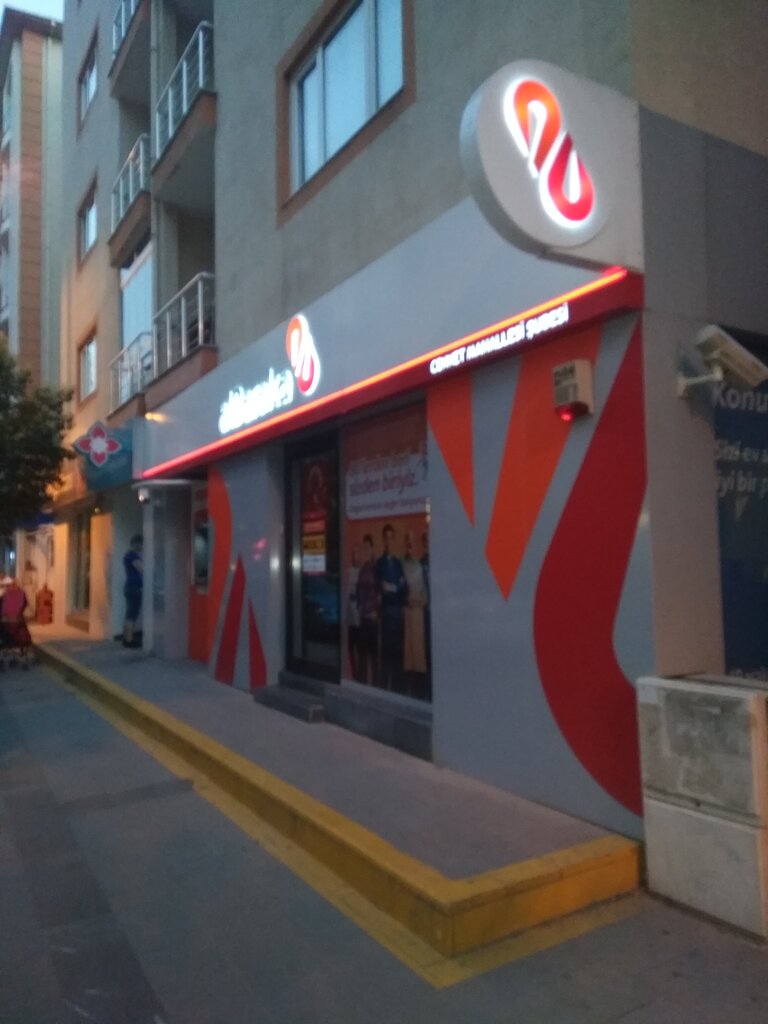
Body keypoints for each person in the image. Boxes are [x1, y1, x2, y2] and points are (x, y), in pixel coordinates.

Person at [375, 523, 405, 690]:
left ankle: (397, 688)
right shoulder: (379, 564)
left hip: (398, 614)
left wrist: (392, 587)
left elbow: (403, 588)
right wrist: (395, 587)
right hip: (386, 614)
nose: (388, 542)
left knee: (398, 653)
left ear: (394, 540)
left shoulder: (399, 564)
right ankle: (385, 688)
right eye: (386, 538)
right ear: (383, 540)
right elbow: (382, 587)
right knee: (386, 654)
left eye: (391, 538)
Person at [402, 529, 428, 687]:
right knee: (408, 657)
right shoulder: (401, 565)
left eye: (412, 540)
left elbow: (425, 595)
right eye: (407, 539)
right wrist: (406, 600)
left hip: (418, 615)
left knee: (419, 656)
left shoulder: (420, 566)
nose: (409, 543)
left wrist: (419, 602)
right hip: (407, 615)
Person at [356, 534, 379, 684]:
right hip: (364, 617)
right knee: (363, 655)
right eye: (364, 547)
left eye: (367, 547)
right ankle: (362, 683)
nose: (365, 550)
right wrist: (360, 607)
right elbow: (359, 590)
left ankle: (376, 685)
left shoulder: (376, 568)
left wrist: (374, 610)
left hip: (373, 617)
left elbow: (380, 592)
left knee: (374, 655)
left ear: (372, 548)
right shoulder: (363, 569)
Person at [122, 534, 143, 647]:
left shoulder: (127, 555)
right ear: (137, 544)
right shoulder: (132, 556)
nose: (142, 547)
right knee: (132, 615)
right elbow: (141, 569)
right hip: (134, 588)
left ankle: (126, 639)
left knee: (129, 614)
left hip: (129, 587)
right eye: (141, 544)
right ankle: (129, 641)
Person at [347, 542, 362, 680]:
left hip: (360, 616)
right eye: (353, 553)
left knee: (360, 648)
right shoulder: (349, 572)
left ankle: (360, 677)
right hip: (350, 617)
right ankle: (355, 674)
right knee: (350, 647)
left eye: (357, 552)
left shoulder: (363, 572)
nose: (354, 556)